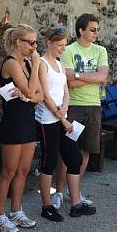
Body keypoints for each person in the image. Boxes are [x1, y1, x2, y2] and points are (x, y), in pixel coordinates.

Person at [35, 27, 95, 221]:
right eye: (59, 45)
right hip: (48, 120)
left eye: (64, 45)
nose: (63, 48)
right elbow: (44, 94)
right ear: (49, 43)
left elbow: (65, 91)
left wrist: (65, 110)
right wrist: (61, 116)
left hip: (63, 118)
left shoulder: (60, 65)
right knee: (49, 161)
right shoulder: (42, 64)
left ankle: (76, 202)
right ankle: (47, 206)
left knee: (74, 158)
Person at [53, 13, 108, 210]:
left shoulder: (100, 50)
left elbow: (102, 77)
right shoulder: (67, 51)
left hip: (94, 105)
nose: (95, 33)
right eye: (92, 30)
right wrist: (90, 77)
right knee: (67, 150)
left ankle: (74, 189)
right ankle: (58, 191)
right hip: (73, 106)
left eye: (97, 30)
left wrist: (77, 75)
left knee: (86, 150)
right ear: (81, 30)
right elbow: (69, 83)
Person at [0, 24, 43, 232]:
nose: (34, 47)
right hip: (13, 123)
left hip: (28, 121)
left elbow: (39, 96)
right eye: (30, 42)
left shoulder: (28, 65)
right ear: (18, 42)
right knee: (9, 171)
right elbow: (32, 90)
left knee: (24, 170)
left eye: (36, 42)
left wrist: (29, 95)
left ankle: (16, 210)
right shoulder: (12, 63)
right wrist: (37, 66)